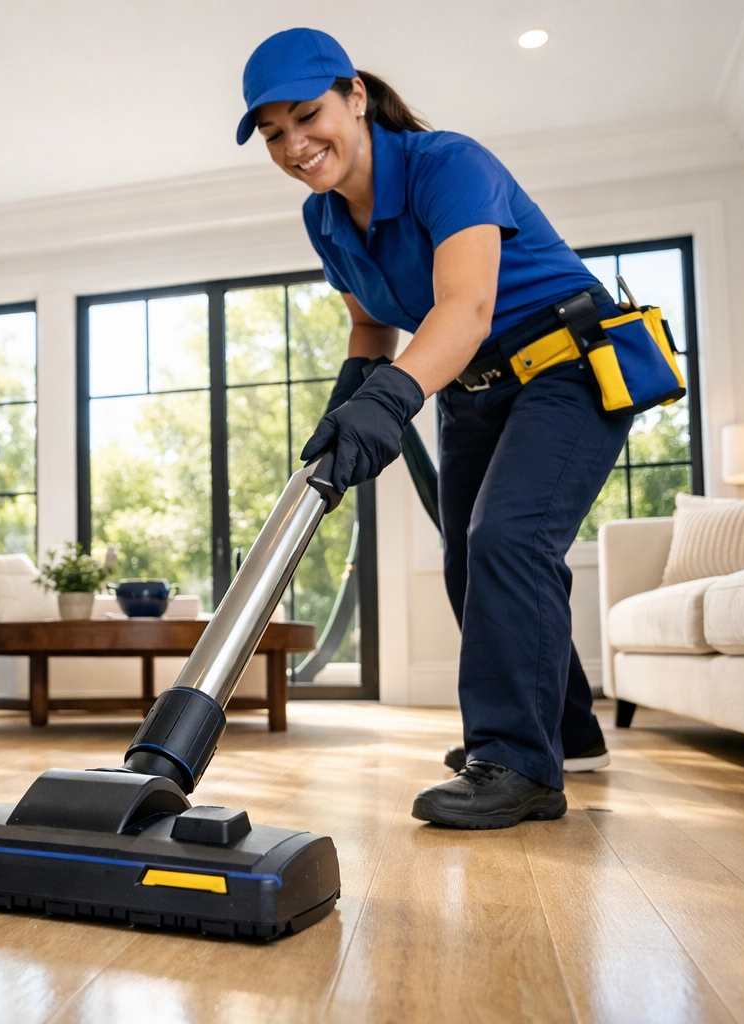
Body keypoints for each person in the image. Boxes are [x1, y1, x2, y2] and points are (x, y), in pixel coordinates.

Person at [238, 28, 636, 829]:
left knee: (508, 540)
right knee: (472, 558)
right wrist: (349, 398)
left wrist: (389, 403)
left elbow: (466, 306)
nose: (294, 144)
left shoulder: (446, 164)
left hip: (567, 362)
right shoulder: (324, 221)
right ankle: (565, 730)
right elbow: (371, 323)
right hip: (471, 387)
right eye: (273, 133)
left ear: (355, 96)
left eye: (307, 115)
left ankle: (518, 763)